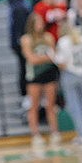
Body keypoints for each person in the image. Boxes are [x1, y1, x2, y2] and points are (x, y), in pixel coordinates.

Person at [21, 12, 62, 145]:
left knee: (51, 105)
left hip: (49, 73)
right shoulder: (26, 39)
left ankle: (55, 132)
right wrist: (46, 58)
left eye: (41, 22)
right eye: (37, 23)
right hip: (34, 75)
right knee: (34, 105)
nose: (40, 25)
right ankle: (35, 134)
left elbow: (55, 56)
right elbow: (31, 59)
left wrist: (46, 58)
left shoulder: (48, 37)